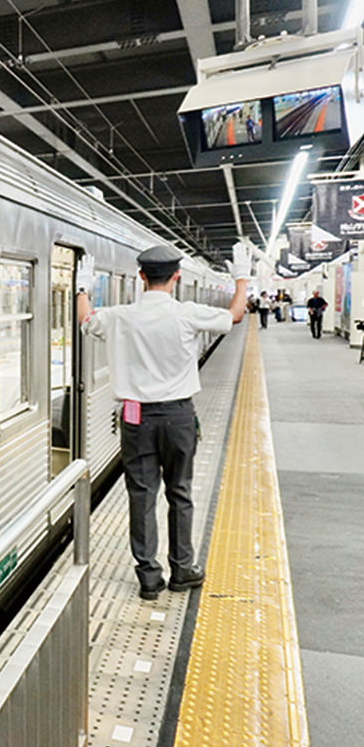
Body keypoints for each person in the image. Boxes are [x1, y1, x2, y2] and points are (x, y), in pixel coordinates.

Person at [75, 243, 250, 600]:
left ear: (141, 277)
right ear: (176, 276)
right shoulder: (187, 313)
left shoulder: (119, 316)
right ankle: (182, 569)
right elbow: (234, 315)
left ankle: (148, 577)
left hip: (135, 417)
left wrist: (82, 288)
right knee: (180, 492)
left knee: (141, 495)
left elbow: (85, 320)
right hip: (177, 416)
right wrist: (243, 279)